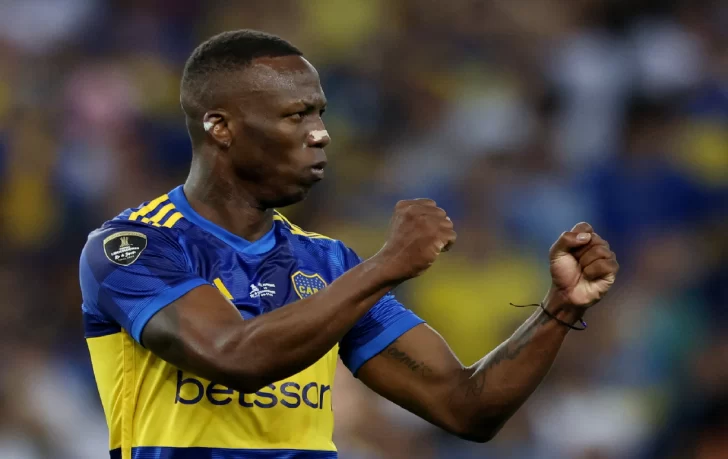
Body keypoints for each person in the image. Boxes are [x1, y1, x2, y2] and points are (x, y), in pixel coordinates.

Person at [79, 30, 619, 459]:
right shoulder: (132, 247)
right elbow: (235, 356)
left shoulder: (329, 263)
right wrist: (387, 265)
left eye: (320, 113)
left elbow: (466, 407)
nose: (321, 133)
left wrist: (558, 308)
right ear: (220, 127)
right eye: (296, 115)